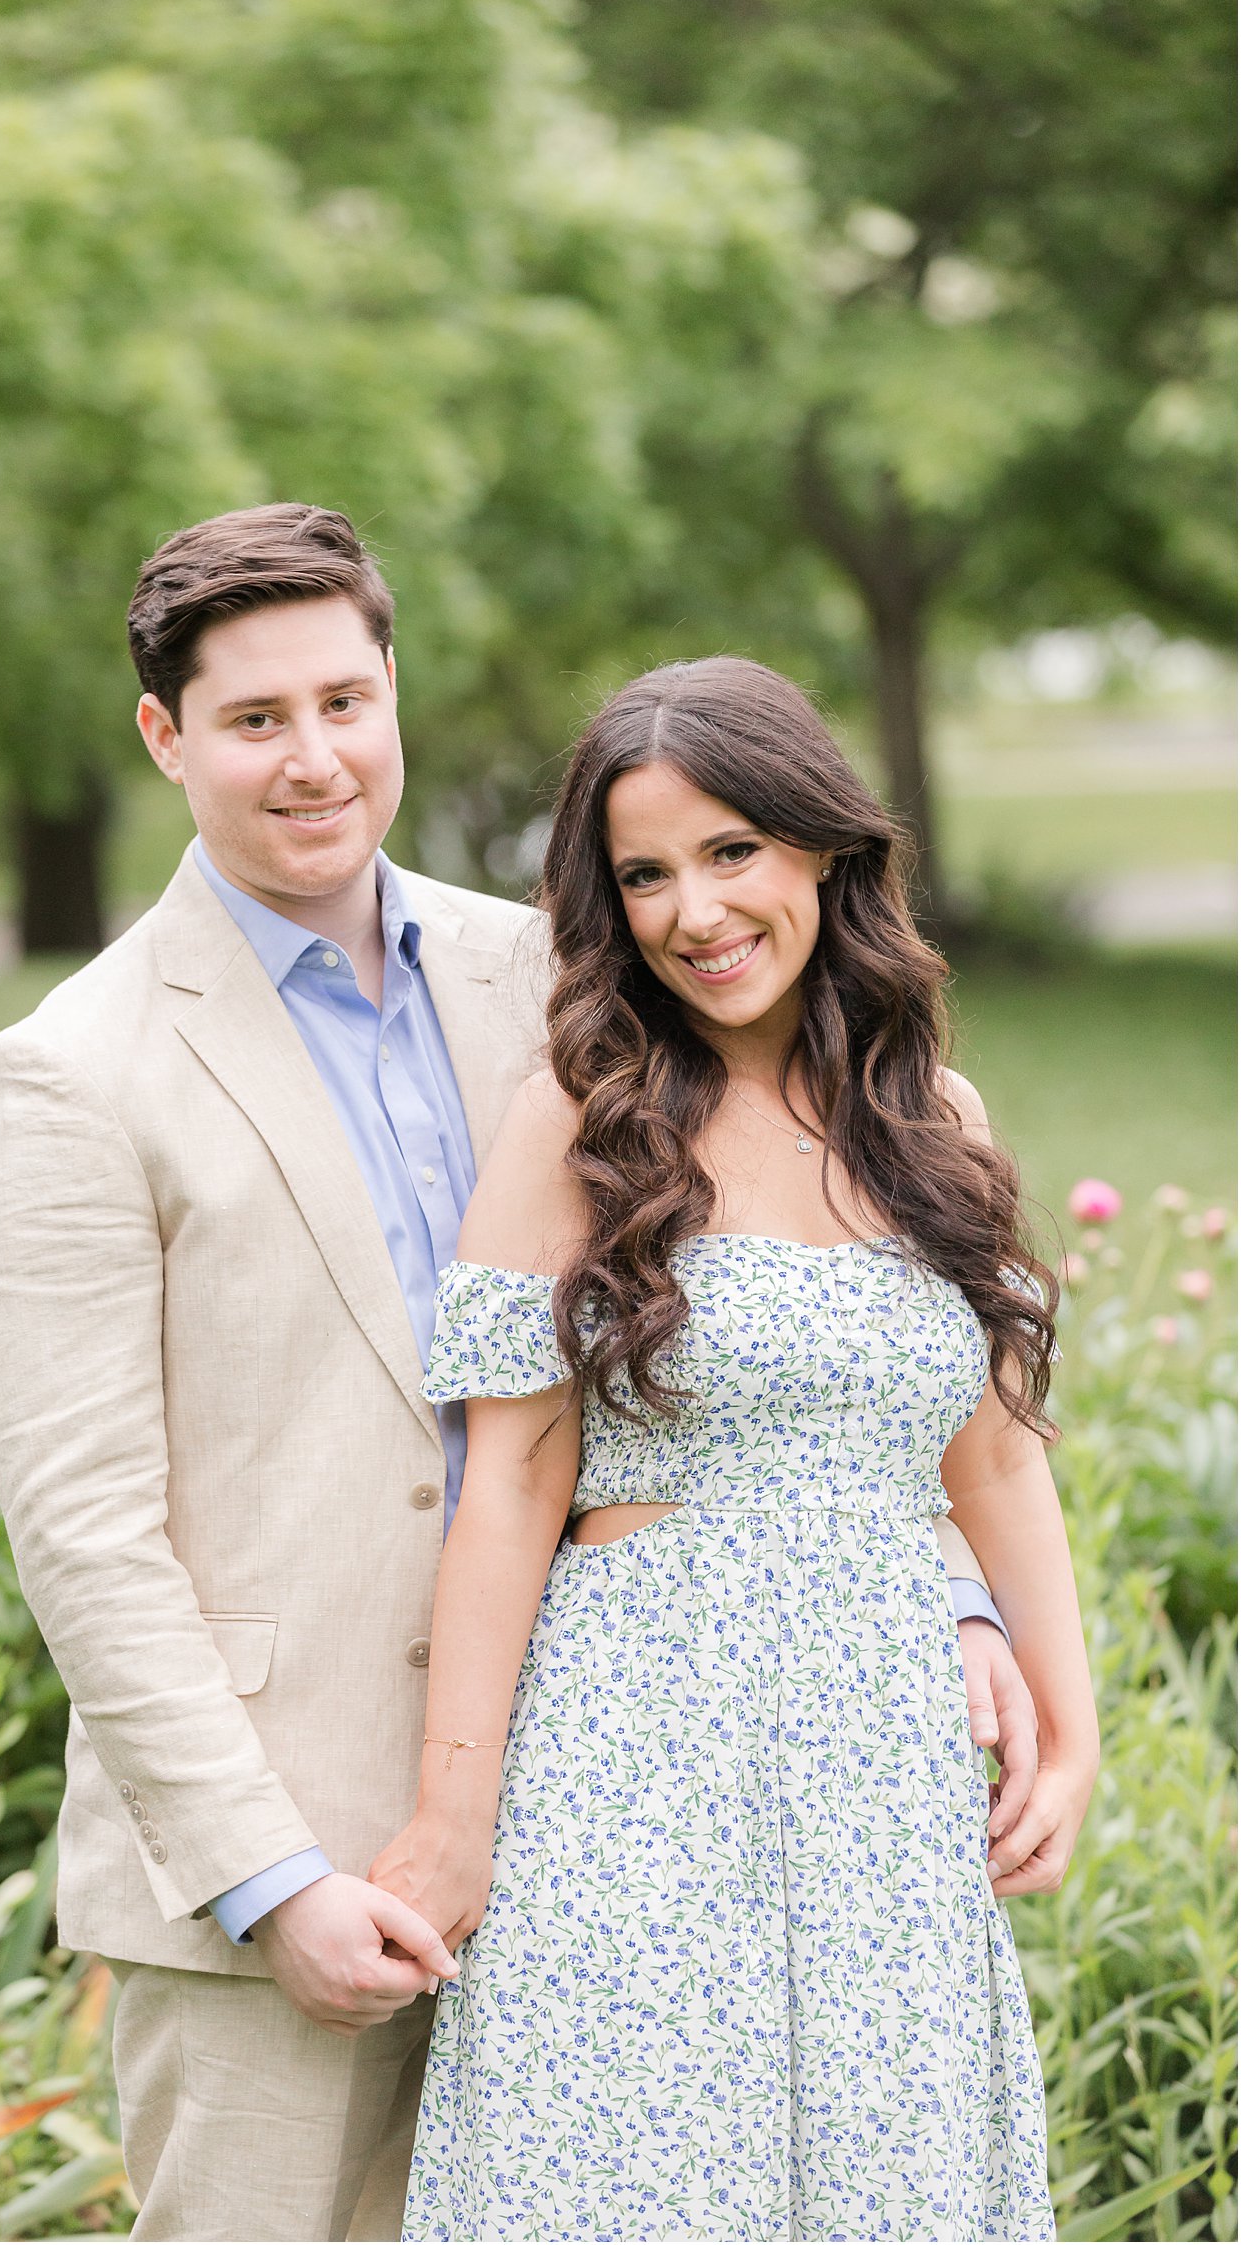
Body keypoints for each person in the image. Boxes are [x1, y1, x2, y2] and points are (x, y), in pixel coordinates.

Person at [0, 509, 1035, 2244]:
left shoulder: (573, 972)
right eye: (253, 719)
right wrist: (270, 1876)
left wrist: (951, 1589)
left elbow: (827, 1298)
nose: (312, 758)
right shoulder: (75, 1072)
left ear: (394, 693)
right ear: (166, 738)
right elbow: (86, 1534)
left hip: (622, 1820)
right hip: (284, 1860)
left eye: (344, 699)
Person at [379, 657, 1099, 2242]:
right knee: (638, 2185)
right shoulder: (580, 1116)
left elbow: (991, 1464)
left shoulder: (936, 1120)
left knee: (884, 2182)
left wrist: (1069, 1715)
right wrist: (454, 1811)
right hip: (640, 1755)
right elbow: (507, 1485)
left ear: (824, 848)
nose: (691, 910)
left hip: (884, 1775)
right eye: (644, 872)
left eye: (729, 852)